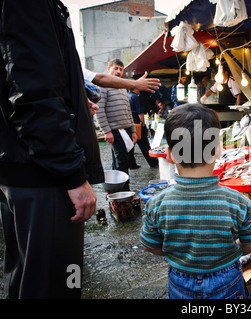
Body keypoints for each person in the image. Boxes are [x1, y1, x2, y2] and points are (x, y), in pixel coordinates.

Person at [0, 0, 103, 299]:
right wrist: (72, 174)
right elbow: (34, 93)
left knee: (26, 277)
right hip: (43, 173)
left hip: (23, 167)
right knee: (58, 283)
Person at [140, 104, 251, 299]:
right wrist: (233, 249)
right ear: (218, 151)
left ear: (169, 155)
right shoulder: (238, 202)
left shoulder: (157, 203)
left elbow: (149, 244)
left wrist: (176, 253)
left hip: (180, 282)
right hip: (227, 280)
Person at [95, 59, 137, 191]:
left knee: (120, 161)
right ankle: (124, 191)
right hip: (114, 130)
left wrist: (133, 130)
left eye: (121, 69)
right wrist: (106, 131)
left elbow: (128, 110)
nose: (118, 71)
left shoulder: (123, 87)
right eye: (116, 68)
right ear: (108, 69)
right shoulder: (104, 86)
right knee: (122, 162)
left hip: (126, 129)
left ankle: (116, 189)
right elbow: (99, 109)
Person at [128, 88, 158, 168]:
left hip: (129, 124)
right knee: (144, 145)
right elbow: (140, 113)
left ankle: (131, 163)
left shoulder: (127, 96)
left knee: (131, 145)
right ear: (135, 88)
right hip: (137, 124)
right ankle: (153, 162)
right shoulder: (135, 97)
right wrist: (143, 123)